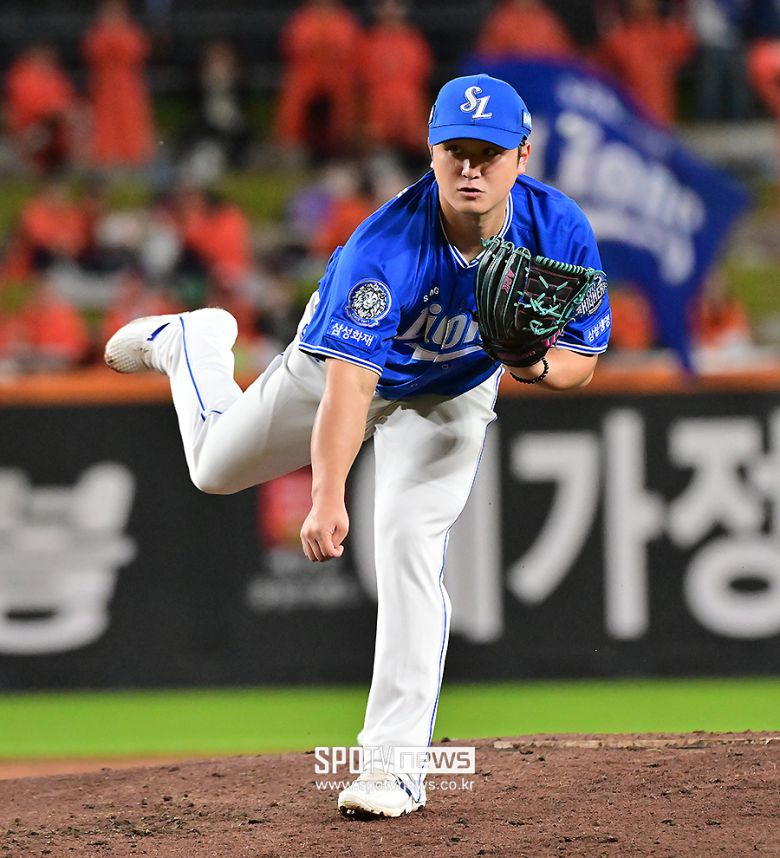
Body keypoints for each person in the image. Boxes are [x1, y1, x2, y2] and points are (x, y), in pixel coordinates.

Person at [104, 73, 611, 818]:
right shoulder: (386, 247)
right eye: (456, 151)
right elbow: (349, 389)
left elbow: (582, 361)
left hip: (453, 390)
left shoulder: (558, 229)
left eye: (489, 153)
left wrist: (531, 365)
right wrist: (326, 495)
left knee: (409, 544)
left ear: (522, 157)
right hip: (342, 369)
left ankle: (392, 769)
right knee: (213, 469)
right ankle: (194, 343)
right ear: (431, 152)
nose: (471, 168)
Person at [83, 0, 154, 168]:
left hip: (127, 84)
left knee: (130, 119)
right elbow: (93, 52)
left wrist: (114, 37)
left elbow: (138, 51)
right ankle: (107, 155)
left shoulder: (131, 32)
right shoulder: (98, 33)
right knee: (106, 121)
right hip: (105, 85)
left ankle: (133, 154)